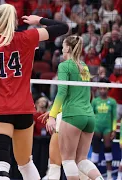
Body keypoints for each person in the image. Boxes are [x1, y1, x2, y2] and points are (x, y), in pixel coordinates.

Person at [0, 4, 68, 180]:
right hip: (24, 109)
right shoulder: (28, 36)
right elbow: (63, 28)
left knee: (2, 168)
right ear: (13, 21)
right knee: (25, 164)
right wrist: (39, 20)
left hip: (0, 109)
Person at [46, 35, 103, 180]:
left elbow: (62, 92)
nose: (62, 48)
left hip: (73, 116)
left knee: (68, 160)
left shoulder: (64, 65)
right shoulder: (84, 66)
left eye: (63, 46)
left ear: (68, 48)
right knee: (82, 160)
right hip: (89, 116)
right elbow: (86, 94)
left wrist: (52, 116)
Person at [90, 78, 117, 180]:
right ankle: (93, 176)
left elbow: (114, 117)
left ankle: (109, 176)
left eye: (104, 88)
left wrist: (114, 130)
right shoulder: (95, 101)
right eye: (100, 88)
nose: (102, 90)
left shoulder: (112, 102)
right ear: (98, 89)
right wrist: (90, 129)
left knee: (108, 151)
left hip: (107, 129)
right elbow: (91, 115)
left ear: (108, 89)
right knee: (95, 152)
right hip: (96, 128)